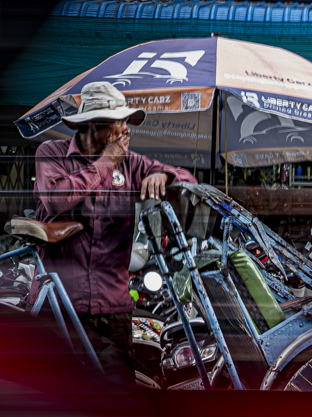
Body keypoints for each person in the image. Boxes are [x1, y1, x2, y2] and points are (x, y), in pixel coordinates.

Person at [32, 81, 197, 382]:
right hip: (58, 305)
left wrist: (163, 175)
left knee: (118, 394)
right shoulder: (51, 153)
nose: (126, 129)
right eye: (120, 121)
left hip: (112, 308)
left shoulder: (131, 164)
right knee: (56, 393)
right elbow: (57, 199)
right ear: (95, 125)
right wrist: (106, 162)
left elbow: (189, 180)